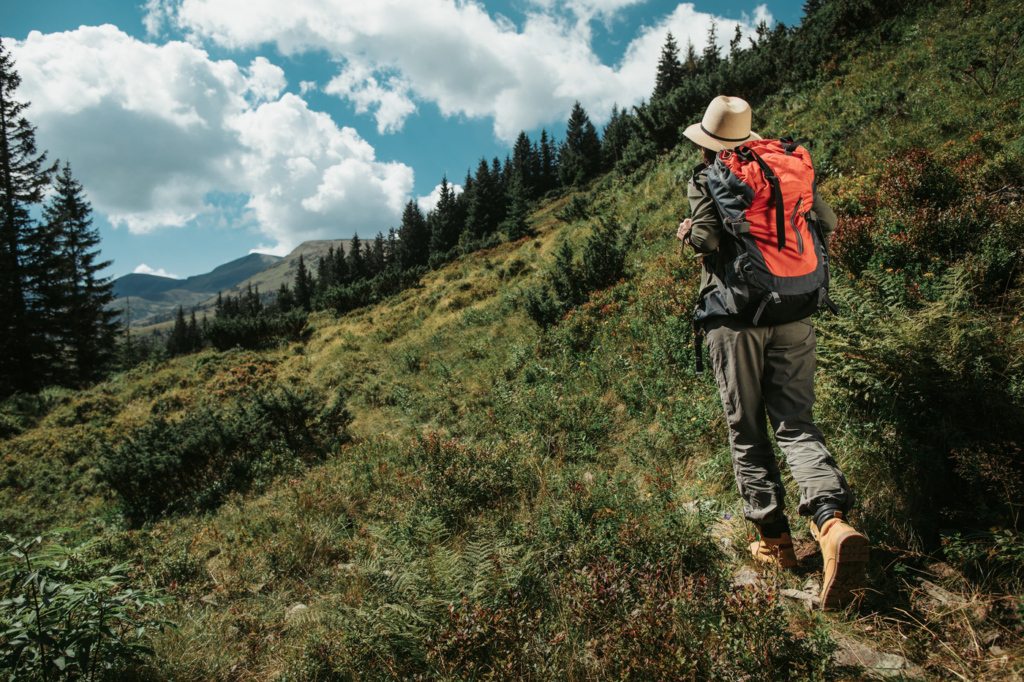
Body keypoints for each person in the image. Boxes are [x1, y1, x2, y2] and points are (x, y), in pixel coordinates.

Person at [676, 95, 869, 610]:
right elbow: (827, 222)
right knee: (796, 421)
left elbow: (704, 239)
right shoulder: (781, 168)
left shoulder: (708, 176)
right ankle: (830, 522)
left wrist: (686, 234)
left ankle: (774, 542)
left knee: (747, 426)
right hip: (793, 310)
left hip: (735, 317)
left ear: (709, 143)